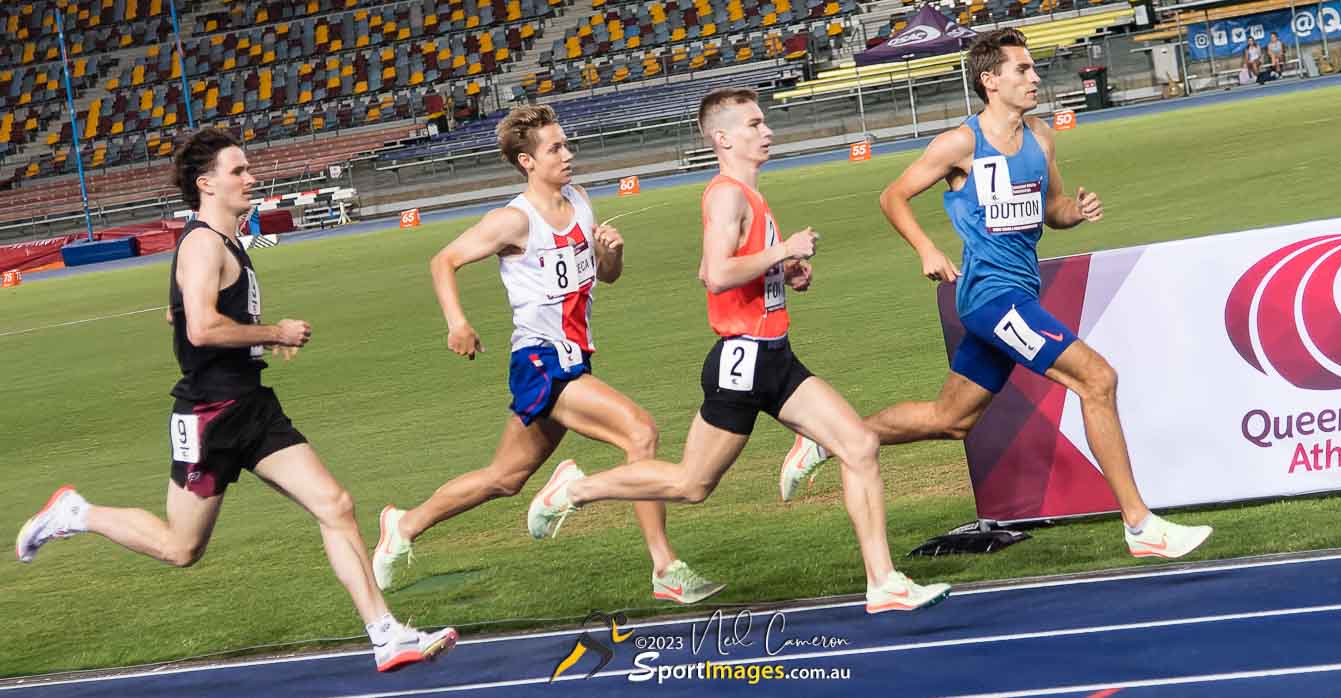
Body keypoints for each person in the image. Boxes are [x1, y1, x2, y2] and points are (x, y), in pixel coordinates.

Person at [13, 128, 456, 674]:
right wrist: (274, 331)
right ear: (207, 184)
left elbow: (183, 315)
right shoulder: (201, 242)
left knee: (335, 504)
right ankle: (75, 513)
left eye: (249, 169)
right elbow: (199, 327)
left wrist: (250, 337)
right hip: (208, 416)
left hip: (251, 404)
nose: (251, 178)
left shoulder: (227, 243)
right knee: (181, 548)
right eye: (238, 171)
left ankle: (384, 635)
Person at [780, 29, 1213, 560]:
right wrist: (926, 250)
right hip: (991, 297)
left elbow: (1051, 209)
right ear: (991, 80)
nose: (1035, 78)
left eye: (1033, 70)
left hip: (1018, 291)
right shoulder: (961, 143)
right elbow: (891, 196)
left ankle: (831, 438)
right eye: (1023, 70)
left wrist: (1074, 213)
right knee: (1097, 379)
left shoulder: (1041, 138)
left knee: (951, 420)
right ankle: (1140, 525)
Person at [526, 88, 950, 614]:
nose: (765, 131)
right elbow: (715, 273)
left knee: (859, 445)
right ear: (723, 137)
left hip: (775, 355)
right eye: (753, 124)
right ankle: (575, 489)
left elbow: (746, 269)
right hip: (743, 362)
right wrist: (784, 248)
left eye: (764, 122)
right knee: (690, 484)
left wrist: (786, 273)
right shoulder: (725, 193)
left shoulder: (752, 196)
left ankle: (883, 582)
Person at [372, 105, 722, 605]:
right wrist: (458, 322)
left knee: (505, 478)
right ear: (526, 161)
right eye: (555, 148)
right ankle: (663, 565)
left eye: (566, 144)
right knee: (640, 433)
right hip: (540, 360)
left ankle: (403, 524)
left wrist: (611, 253)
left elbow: (606, 277)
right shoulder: (513, 219)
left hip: (574, 357)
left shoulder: (579, 200)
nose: (568, 154)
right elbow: (443, 260)